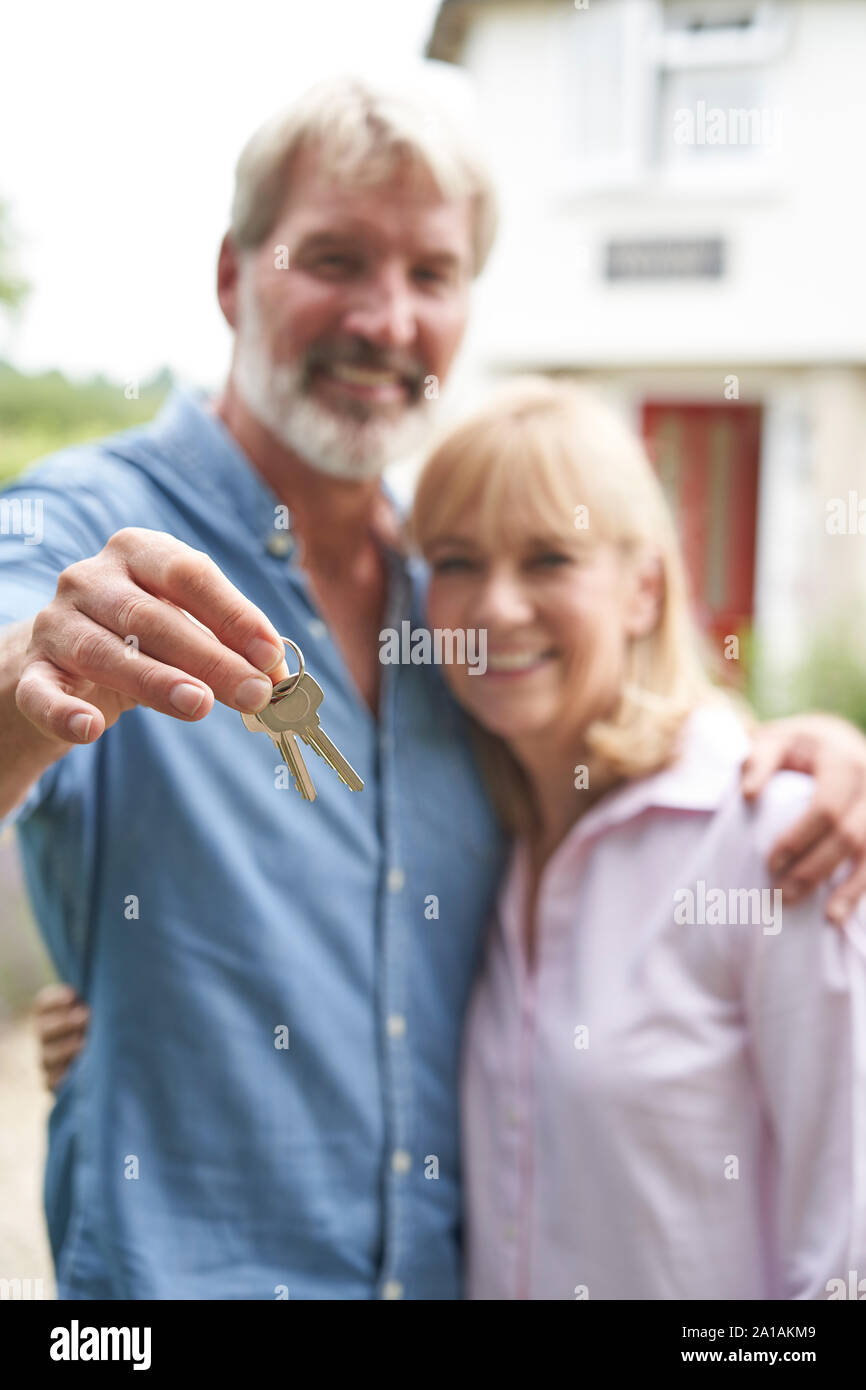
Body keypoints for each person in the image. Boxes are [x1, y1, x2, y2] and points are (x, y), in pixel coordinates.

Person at [5, 77, 866, 1301]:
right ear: (230, 277)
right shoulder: (90, 531)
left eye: (432, 275)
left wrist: (810, 745)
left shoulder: (448, 589)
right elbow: (17, 654)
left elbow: (614, 743)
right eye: (336, 258)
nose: (385, 317)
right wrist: (31, 670)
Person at [411, 378, 866, 1299]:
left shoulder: (779, 838)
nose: (496, 607)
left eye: (548, 560)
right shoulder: (478, 838)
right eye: (457, 562)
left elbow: (846, 1253)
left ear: (643, 590)